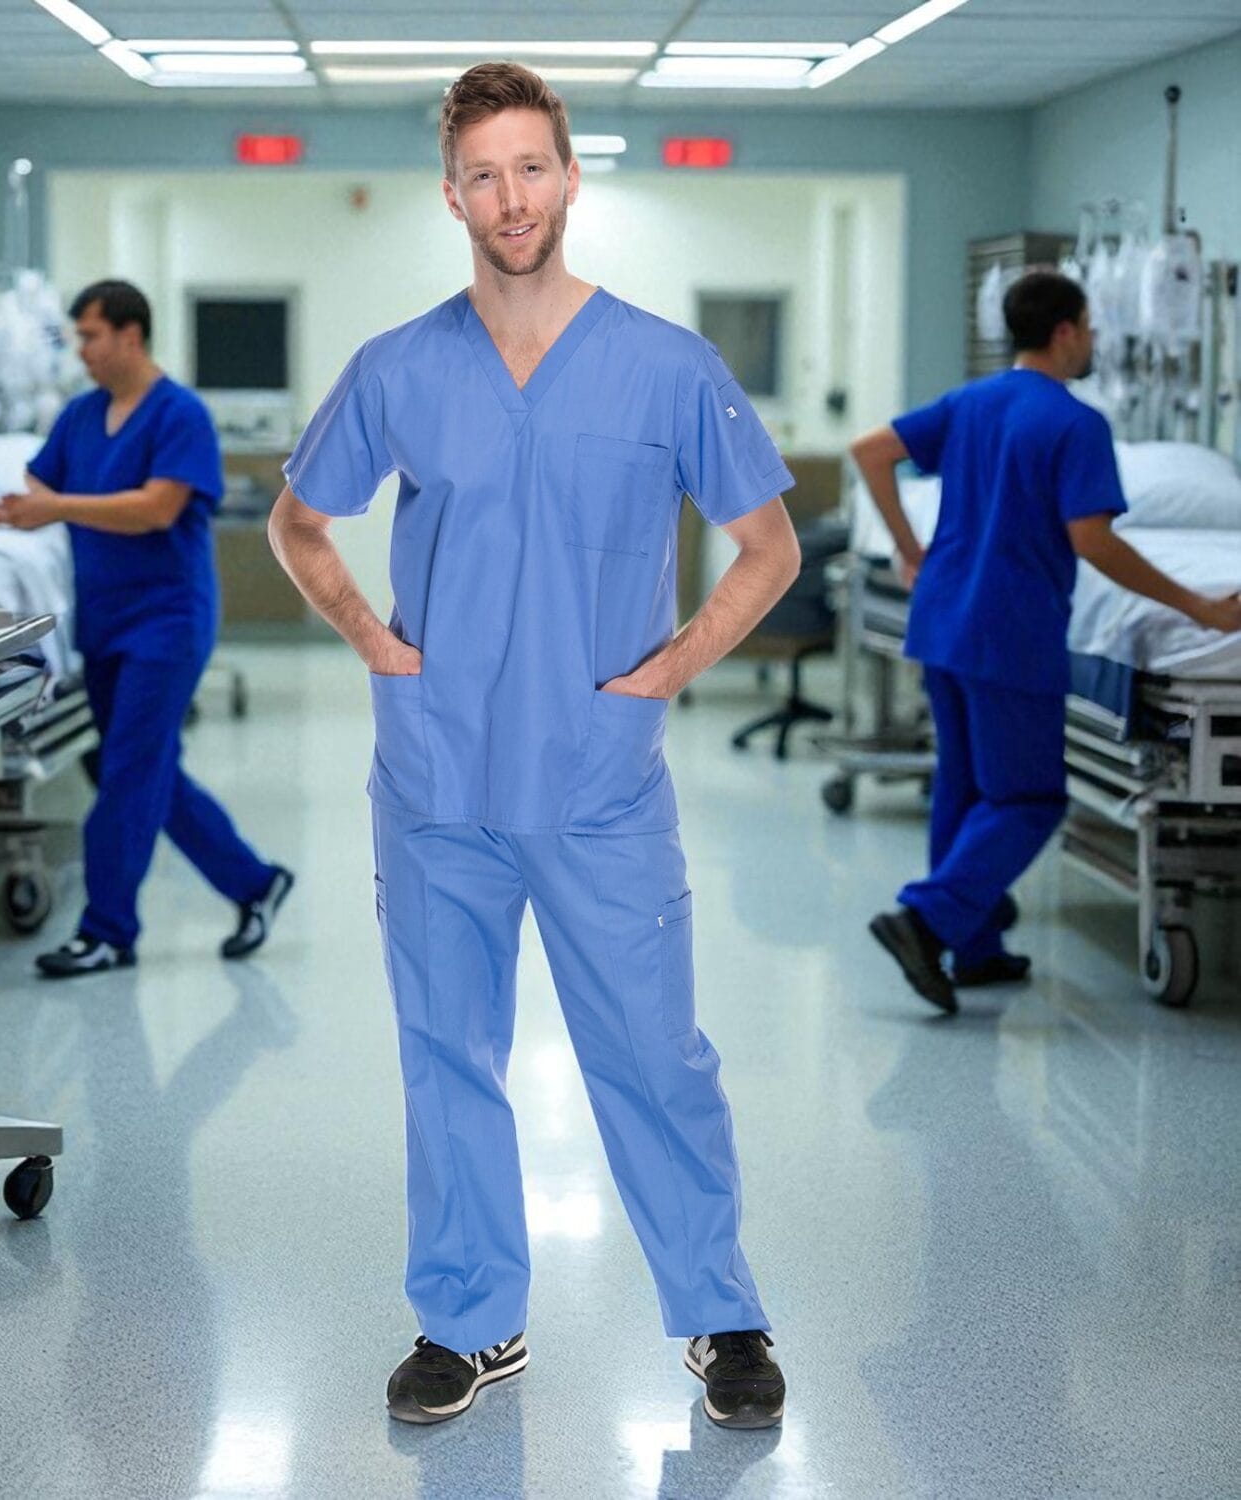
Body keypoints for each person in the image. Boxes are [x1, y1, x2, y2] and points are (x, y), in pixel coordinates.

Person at [269, 64, 801, 1429]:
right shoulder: (397, 366)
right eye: (484, 175)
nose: (512, 197)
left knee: (653, 1052)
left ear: (572, 178)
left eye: (533, 167)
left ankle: (720, 1311)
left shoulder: (668, 366)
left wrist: (672, 667)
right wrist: (373, 641)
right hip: (440, 776)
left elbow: (768, 547)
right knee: (448, 1053)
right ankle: (467, 1320)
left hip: (599, 777)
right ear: (454, 194)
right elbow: (298, 523)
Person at [852, 270, 1241, 1014]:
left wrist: (911, 549)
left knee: (966, 791)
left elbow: (870, 451)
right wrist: (1196, 605)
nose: (1091, 340)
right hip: (1010, 631)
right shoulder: (1076, 423)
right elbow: (1092, 540)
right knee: (1029, 799)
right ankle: (925, 920)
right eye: (1089, 327)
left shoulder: (972, 401)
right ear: (1065, 331)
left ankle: (975, 950)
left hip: (943, 621)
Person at [0, 279, 293, 977]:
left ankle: (107, 931)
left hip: (169, 618)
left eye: (91, 337)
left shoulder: (179, 414)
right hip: (106, 619)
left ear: (131, 334)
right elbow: (42, 486)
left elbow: (157, 508)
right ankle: (256, 882)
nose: (84, 352)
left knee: (126, 769)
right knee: (147, 768)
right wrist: (19, 511)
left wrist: (59, 505)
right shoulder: (80, 416)